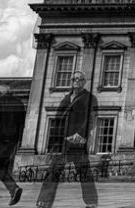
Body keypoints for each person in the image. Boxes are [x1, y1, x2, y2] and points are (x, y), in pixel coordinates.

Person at [36, 71, 98, 208]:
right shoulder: (65, 99)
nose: (76, 81)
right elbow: (57, 120)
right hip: (62, 142)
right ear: (71, 81)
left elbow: (91, 118)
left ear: (84, 82)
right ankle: (44, 201)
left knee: (84, 172)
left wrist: (81, 134)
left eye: (79, 79)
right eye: (74, 79)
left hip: (77, 142)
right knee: (53, 171)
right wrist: (53, 144)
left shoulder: (90, 98)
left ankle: (92, 202)